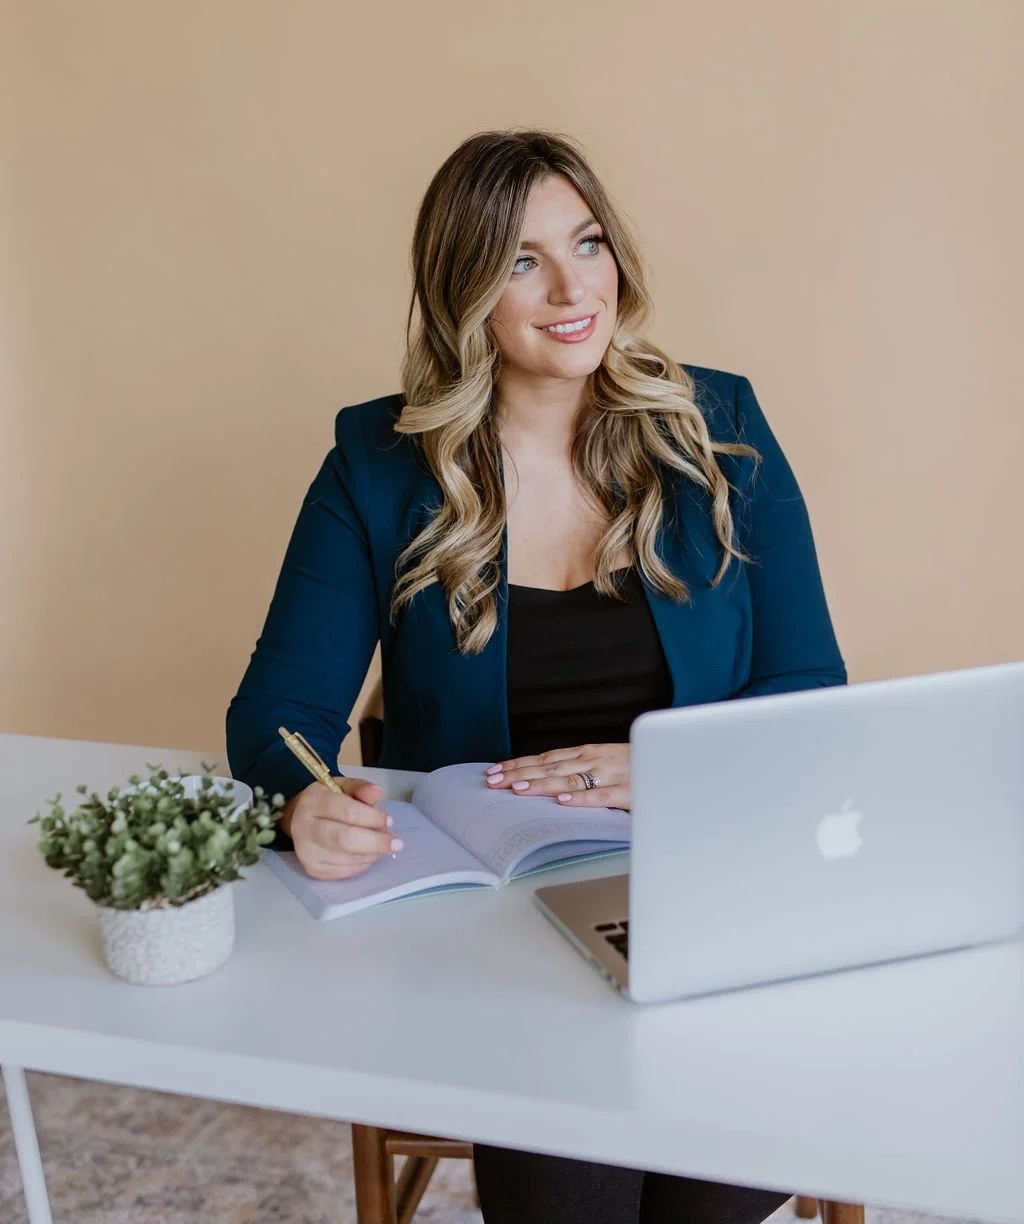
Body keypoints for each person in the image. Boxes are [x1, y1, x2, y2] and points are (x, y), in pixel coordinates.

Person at [226, 128, 847, 1224]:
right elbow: (277, 717)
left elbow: (808, 687)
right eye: (522, 261)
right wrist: (302, 805)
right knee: (564, 1181)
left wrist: (679, 776)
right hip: (491, 924)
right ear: (463, 290)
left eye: (588, 243)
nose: (573, 289)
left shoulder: (721, 429)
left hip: (704, 881)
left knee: (718, 1166)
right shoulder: (377, 466)